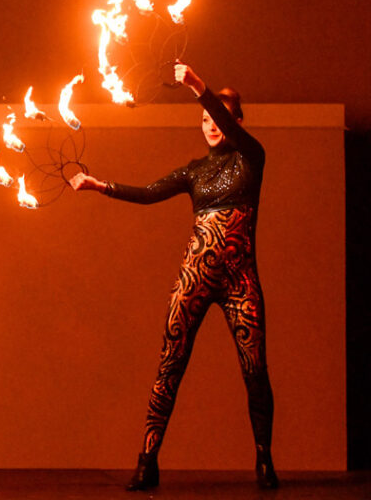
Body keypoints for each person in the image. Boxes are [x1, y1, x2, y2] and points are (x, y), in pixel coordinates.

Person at [70, 63, 277, 491]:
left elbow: (224, 120)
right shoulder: (195, 170)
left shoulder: (251, 157)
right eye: (204, 119)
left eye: (218, 118)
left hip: (240, 280)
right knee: (170, 364)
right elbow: (148, 193)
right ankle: (147, 460)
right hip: (195, 277)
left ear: (236, 122)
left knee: (255, 369)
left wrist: (199, 87)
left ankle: (263, 460)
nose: (210, 126)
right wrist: (98, 185)